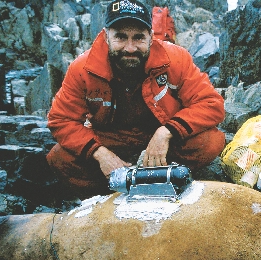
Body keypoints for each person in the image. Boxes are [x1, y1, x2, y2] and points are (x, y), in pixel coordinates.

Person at [46, 0, 226, 198]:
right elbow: (60, 120)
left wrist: (166, 132)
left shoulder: (176, 59)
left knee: (211, 141)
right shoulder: (83, 69)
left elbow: (211, 104)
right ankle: (107, 198)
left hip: (161, 135)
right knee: (59, 157)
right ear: (106, 36)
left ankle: (160, 180)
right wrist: (100, 153)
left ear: (150, 37)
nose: (130, 48)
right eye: (121, 37)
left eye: (138, 38)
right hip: (111, 139)